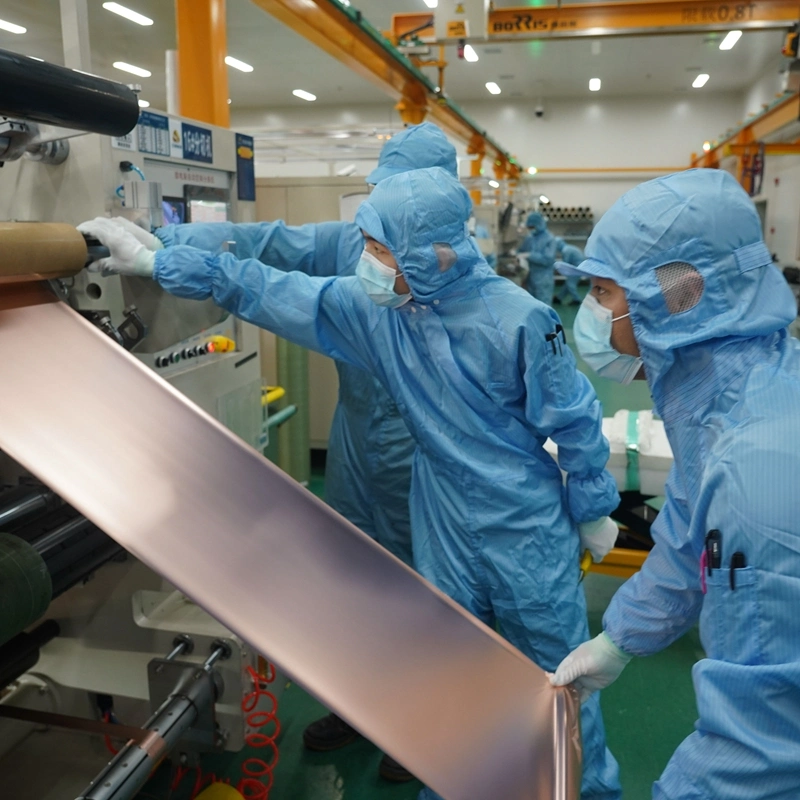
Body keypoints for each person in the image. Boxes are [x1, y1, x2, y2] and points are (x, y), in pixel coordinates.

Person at [81, 166, 623, 800]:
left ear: (432, 253)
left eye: (378, 248)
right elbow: (275, 289)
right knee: (452, 671)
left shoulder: (523, 320)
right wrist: (160, 259)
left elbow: (576, 418)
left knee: (557, 681)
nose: (366, 261)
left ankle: (584, 791)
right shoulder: (380, 313)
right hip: (441, 513)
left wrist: (591, 504)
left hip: (524, 523)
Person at [92, 122, 459, 782]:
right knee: (349, 580)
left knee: (425, 592)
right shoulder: (353, 246)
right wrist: (161, 242)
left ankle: (423, 722)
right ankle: (360, 706)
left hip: (425, 458)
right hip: (355, 448)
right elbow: (265, 245)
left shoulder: (460, 273)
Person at [550, 168, 800, 799]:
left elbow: (765, 744)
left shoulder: (754, 470)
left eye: (605, 292)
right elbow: (690, 540)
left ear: (676, 293)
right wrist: (620, 637)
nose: (594, 312)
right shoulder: (724, 398)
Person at [518, 210, 556, 305]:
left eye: (533, 227)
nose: (531, 229)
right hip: (530, 278)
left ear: (539, 224)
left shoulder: (550, 239)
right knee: (532, 306)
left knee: (544, 306)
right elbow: (521, 250)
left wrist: (530, 255)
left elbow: (548, 259)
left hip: (544, 279)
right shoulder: (530, 238)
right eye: (529, 227)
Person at [553, 237, 583, 305]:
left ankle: (577, 300)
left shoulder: (565, 250)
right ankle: (559, 298)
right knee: (567, 284)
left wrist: (557, 270)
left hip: (576, 269)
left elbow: (565, 264)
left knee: (570, 285)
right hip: (577, 267)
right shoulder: (568, 248)